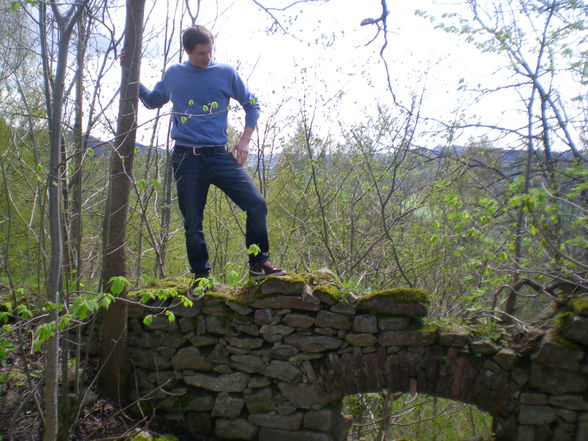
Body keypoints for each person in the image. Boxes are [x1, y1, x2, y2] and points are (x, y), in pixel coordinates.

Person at [138, 25, 285, 283]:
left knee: (256, 204)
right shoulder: (174, 74)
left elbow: (252, 105)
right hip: (186, 158)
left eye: (210, 52)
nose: (207, 57)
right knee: (192, 222)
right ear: (188, 52)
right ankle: (201, 276)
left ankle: (258, 262)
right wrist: (130, 74)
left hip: (219, 155)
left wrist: (244, 140)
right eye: (201, 54)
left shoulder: (225, 73)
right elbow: (152, 101)